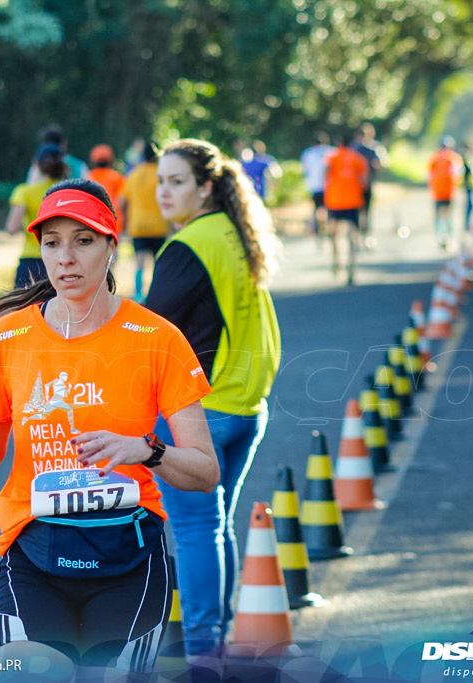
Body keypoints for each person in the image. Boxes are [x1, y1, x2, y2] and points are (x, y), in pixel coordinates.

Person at [0, 178, 219, 675]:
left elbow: (205, 473)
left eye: (83, 241)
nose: (65, 259)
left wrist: (146, 451)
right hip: (34, 553)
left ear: (111, 247)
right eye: (52, 243)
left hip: (129, 559)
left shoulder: (156, 338)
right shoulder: (9, 334)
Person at [145, 139, 281, 667]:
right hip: (247, 406)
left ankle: (204, 649)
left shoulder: (189, 245)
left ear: (205, 187)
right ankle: (215, 637)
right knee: (216, 523)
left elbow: (148, 330)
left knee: (197, 527)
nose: (163, 192)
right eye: (160, 180)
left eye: (177, 181)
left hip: (201, 409)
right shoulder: (234, 232)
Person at [6, 143, 68, 288]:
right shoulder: (68, 192)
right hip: (60, 261)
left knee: (25, 310)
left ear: (36, 164)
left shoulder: (25, 192)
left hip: (30, 261)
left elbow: (12, 228)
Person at [120, 142, 169, 302]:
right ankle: (159, 292)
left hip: (139, 225)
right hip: (159, 225)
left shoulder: (134, 175)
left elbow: (122, 202)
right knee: (158, 264)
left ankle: (139, 294)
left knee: (140, 262)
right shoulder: (161, 175)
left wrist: (125, 223)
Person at [324, 133, 369, 284]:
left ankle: (336, 264)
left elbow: (325, 173)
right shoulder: (356, 158)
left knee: (334, 235)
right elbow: (364, 180)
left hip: (334, 201)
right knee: (351, 236)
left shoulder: (331, 156)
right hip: (353, 201)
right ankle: (351, 269)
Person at [350, 122, 389, 246]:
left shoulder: (353, 148)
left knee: (357, 212)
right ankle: (365, 237)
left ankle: (357, 237)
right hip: (365, 184)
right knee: (365, 212)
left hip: (355, 185)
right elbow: (383, 163)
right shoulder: (374, 147)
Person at [428, 135, 463, 250]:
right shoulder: (454, 157)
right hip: (450, 192)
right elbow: (458, 174)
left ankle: (440, 237)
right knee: (449, 216)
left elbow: (428, 175)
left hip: (437, 192)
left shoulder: (434, 157)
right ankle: (448, 237)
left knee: (438, 216)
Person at [300, 131, 334, 240]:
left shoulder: (308, 153)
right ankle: (329, 228)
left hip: (314, 185)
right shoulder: (331, 151)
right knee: (328, 208)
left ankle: (315, 227)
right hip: (328, 185)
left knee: (315, 208)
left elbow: (304, 170)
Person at [86, 144, 126, 236]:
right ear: (110, 160)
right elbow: (122, 201)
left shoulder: (88, 176)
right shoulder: (118, 178)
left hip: (94, 221)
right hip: (114, 222)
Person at [236, 139, 282, 206]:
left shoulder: (246, 162)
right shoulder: (265, 162)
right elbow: (276, 174)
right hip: (258, 192)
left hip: (250, 192)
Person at [459, 141, 473, 234]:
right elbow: (467, 172)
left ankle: (470, 223)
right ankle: (468, 224)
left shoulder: (469, 158)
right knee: (470, 205)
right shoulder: (466, 159)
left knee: (472, 205)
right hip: (469, 185)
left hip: (472, 185)